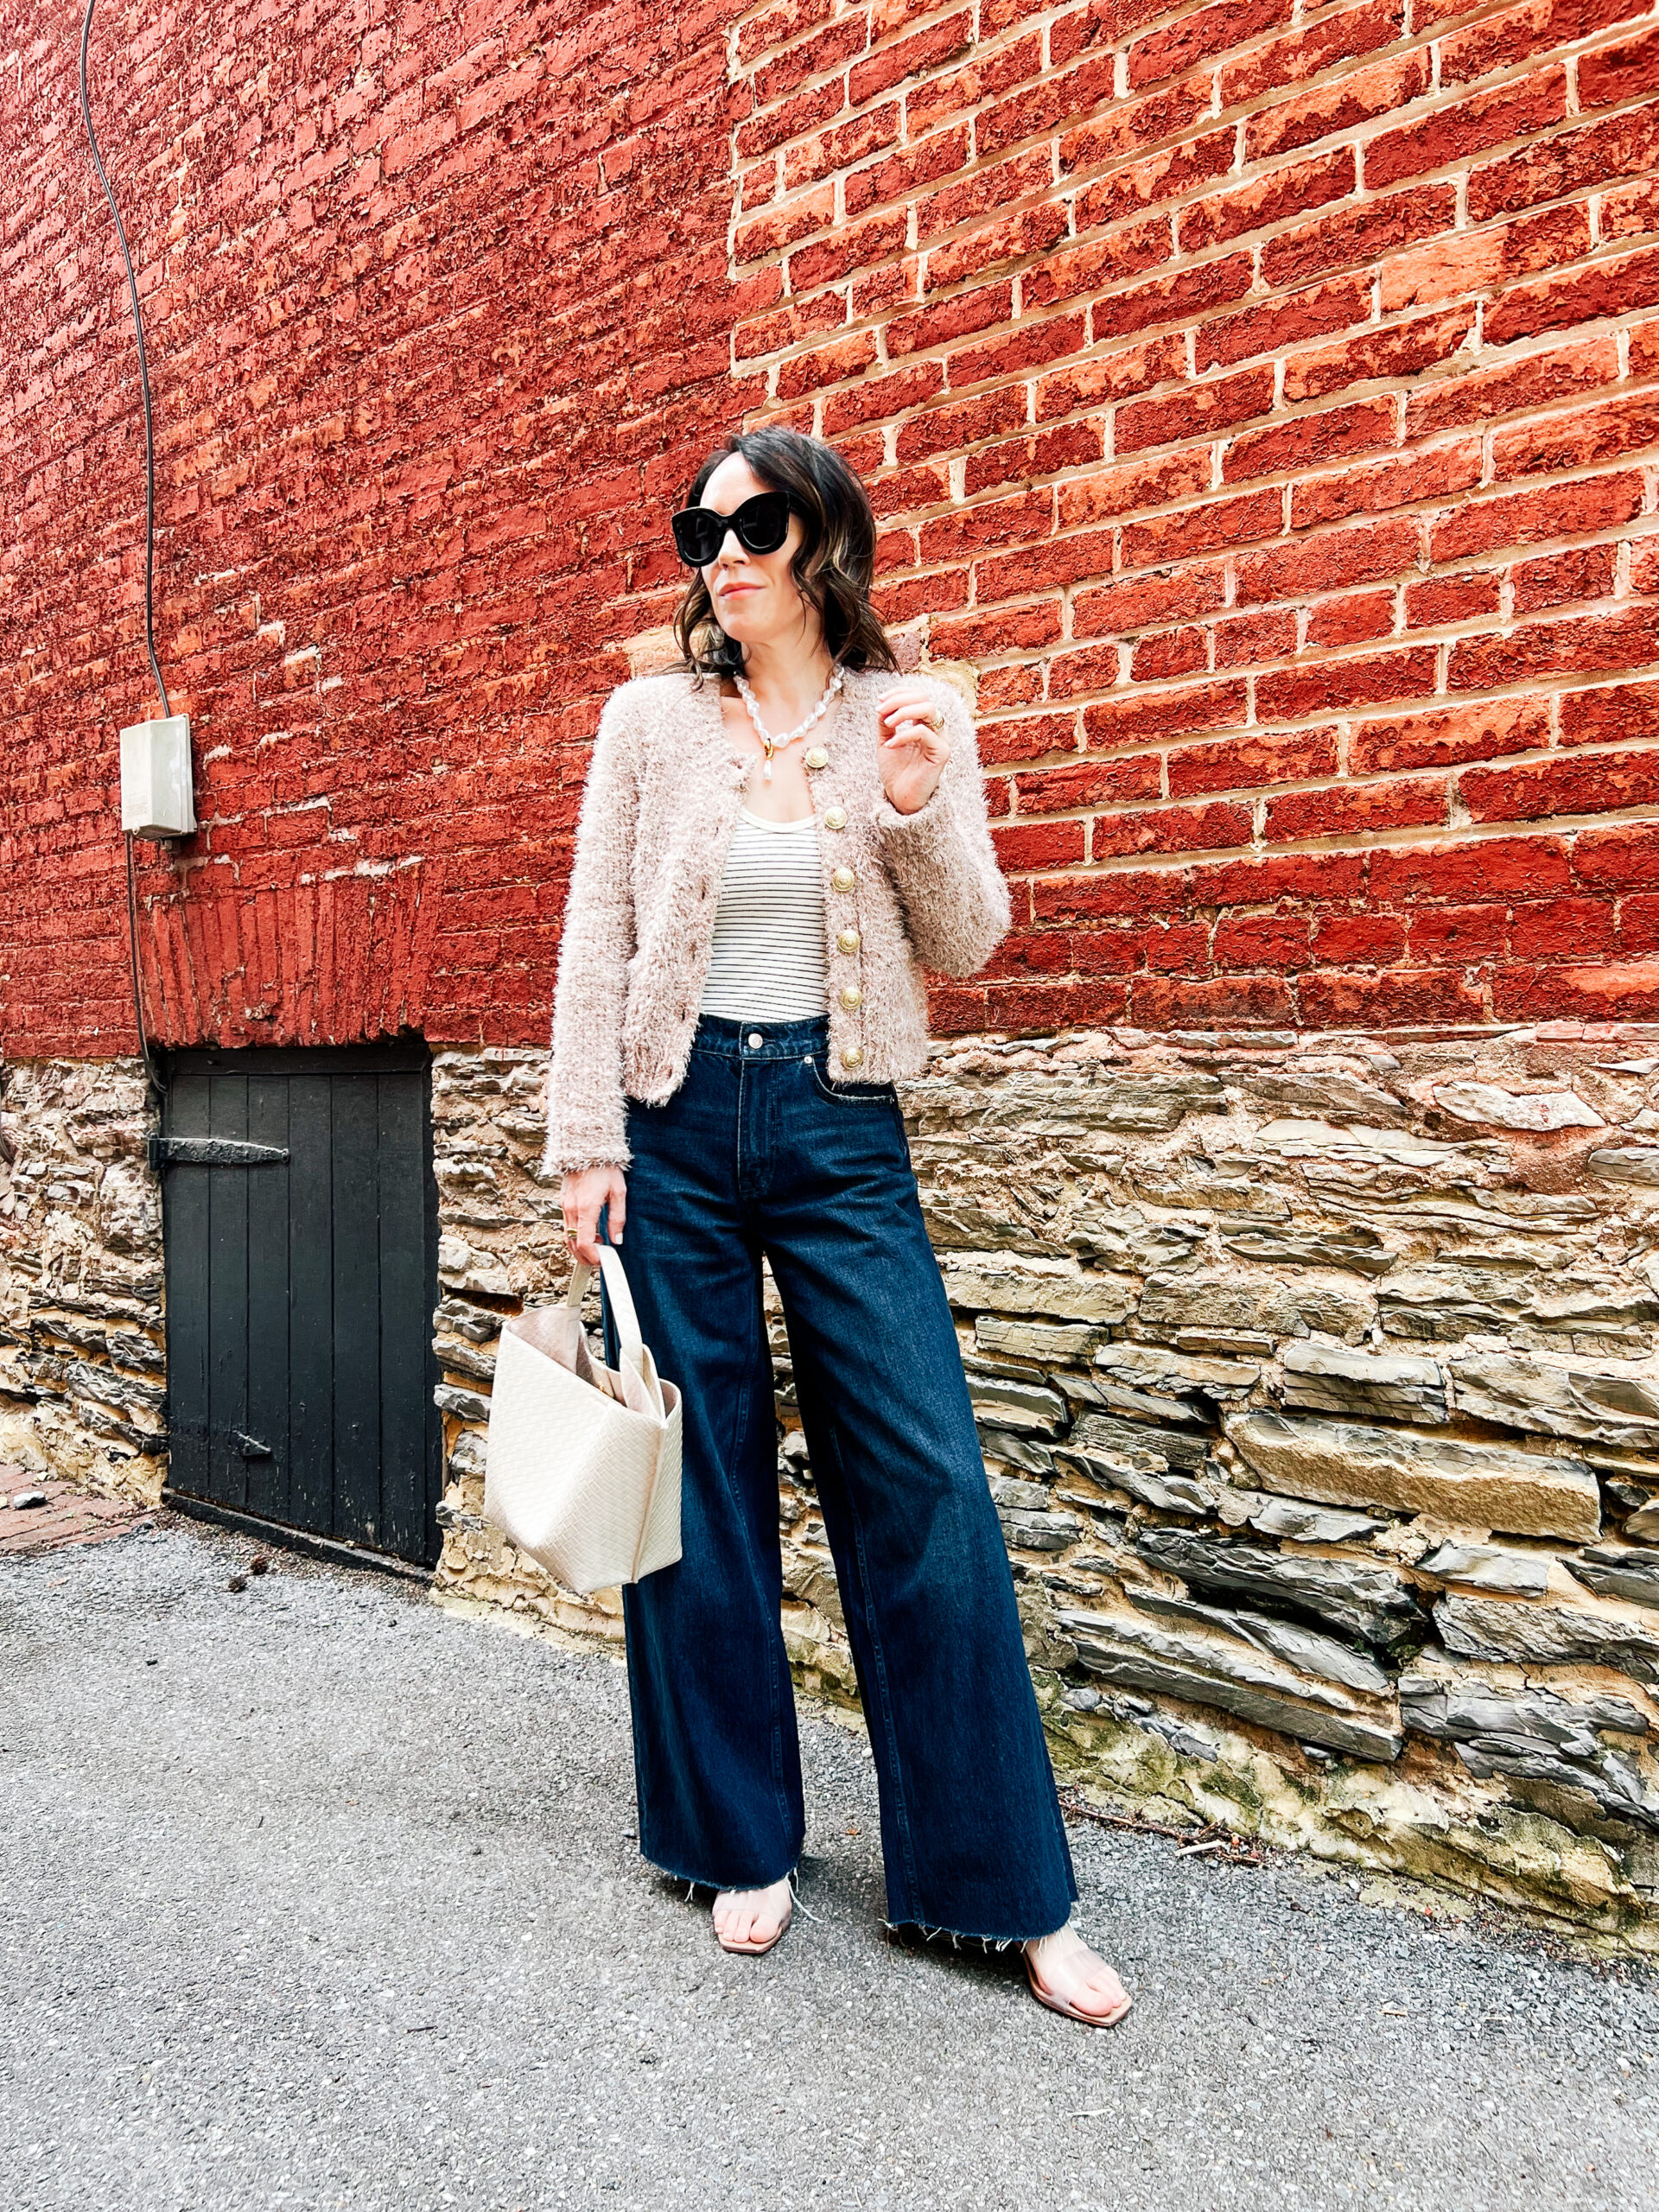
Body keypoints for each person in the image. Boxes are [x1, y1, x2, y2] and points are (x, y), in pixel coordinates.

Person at [543, 424, 1132, 2028]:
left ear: (823, 539)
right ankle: (738, 1842)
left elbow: (970, 938)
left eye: (751, 525)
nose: (719, 553)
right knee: (701, 1482)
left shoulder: (912, 708)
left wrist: (917, 805)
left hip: (838, 1126)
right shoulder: (650, 722)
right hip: (670, 1129)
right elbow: (596, 935)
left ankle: (1007, 1888)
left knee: (927, 1481)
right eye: (699, 531)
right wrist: (585, 1141)